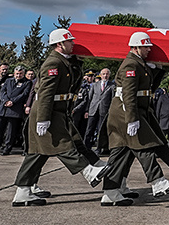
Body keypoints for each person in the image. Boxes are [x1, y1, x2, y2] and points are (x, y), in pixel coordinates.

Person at [11, 29, 108, 207]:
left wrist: (77, 61)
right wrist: (43, 118)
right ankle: (87, 171)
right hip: (48, 112)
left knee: (37, 154)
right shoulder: (53, 63)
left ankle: (23, 192)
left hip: (57, 110)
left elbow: (73, 82)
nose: (73, 43)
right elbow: (46, 93)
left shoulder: (64, 62)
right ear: (59, 44)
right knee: (63, 144)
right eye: (69, 41)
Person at [101, 32, 169, 206]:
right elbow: (128, 94)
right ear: (136, 47)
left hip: (137, 111)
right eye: (145, 46)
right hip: (126, 113)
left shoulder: (139, 64)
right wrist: (131, 119)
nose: (149, 49)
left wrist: (158, 69)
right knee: (143, 145)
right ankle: (158, 182)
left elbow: (148, 87)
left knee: (121, 153)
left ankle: (110, 191)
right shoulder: (131, 65)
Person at [0, 66, 32, 155]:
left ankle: (7, 148)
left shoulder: (27, 82)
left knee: (11, 131)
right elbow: (2, 92)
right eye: (17, 73)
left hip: (15, 109)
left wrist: (12, 101)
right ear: (14, 73)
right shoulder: (8, 81)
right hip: (4, 108)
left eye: (20, 74)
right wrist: (5, 100)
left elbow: (24, 94)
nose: (18, 75)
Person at [84, 68, 114, 153]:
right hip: (93, 109)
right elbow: (89, 98)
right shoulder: (95, 85)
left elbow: (112, 99)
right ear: (100, 75)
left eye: (107, 74)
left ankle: (100, 148)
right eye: (103, 74)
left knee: (101, 131)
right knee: (89, 129)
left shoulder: (112, 86)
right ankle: (86, 147)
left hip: (104, 110)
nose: (105, 75)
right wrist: (87, 111)